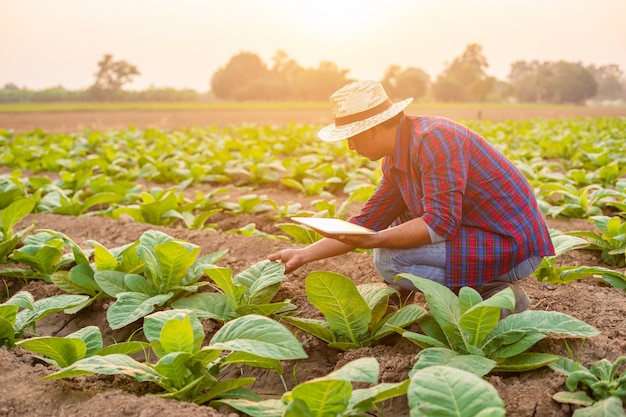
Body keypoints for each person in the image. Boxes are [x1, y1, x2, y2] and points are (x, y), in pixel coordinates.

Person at [268, 79, 555, 315]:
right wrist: (303, 254)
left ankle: (495, 296)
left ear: (374, 129)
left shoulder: (436, 139)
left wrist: (375, 241)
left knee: (389, 258)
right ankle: (468, 294)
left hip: (511, 246)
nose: (350, 146)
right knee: (398, 228)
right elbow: (366, 222)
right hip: (478, 238)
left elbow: (440, 224)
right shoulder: (396, 157)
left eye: (351, 136)